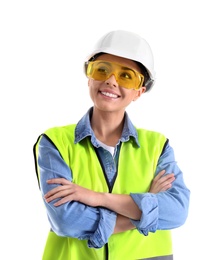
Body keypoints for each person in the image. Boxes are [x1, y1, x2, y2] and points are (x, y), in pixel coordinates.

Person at [33, 30, 190, 260]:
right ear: (89, 76)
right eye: (102, 69)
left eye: (126, 76)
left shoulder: (158, 146)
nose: (111, 80)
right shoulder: (54, 143)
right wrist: (144, 209)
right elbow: (66, 220)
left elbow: (177, 211)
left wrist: (97, 198)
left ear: (139, 91)